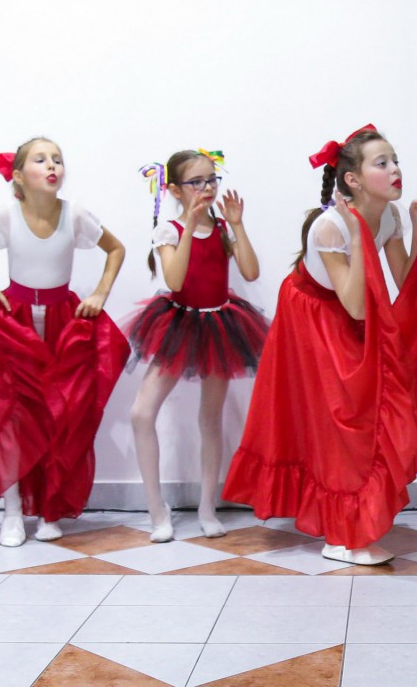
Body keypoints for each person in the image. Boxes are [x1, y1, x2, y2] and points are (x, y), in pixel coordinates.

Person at [222, 125, 417, 565]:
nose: (395, 169)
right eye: (382, 163)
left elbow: (405, 282)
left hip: (350, 308)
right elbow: (356, 306)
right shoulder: (330, 227)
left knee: (377, 404)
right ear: (353, 180)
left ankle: (351, 523)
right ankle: (340, 535)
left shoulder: (391, 215)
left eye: (395, 160)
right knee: (342, 418)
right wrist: (359, 236)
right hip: (313, 315)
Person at [0, 138, 129, 547]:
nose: (52, 166)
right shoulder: (4, 215)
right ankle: (12, 512)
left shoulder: (74, 214)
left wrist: (100, 293)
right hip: (14, 320)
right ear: (18, 176)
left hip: (64, 319)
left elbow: (116, 249)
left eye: (57, 159)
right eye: (41, 159)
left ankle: (50, 509)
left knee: (61, 413)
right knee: (12, 415)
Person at [124, 149, 269, 543]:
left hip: (220, 323)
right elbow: (174, 280)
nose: (207, 188)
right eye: (197, 182)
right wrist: (188, 225)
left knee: (211, 418)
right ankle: (157, 511)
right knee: (141, 413)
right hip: (179, 322)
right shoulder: (169, 230)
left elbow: (251, 271)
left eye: (212, 179)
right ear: (175, 190)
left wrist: (237, 225)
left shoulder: (222, 227)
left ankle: (207, 507)